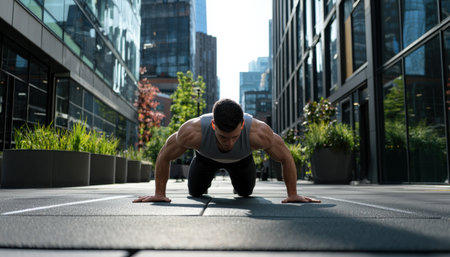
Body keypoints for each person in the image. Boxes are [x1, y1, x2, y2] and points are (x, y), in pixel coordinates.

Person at [133, 99, 321, 203]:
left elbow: (286, 157)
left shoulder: (259, 132)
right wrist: (159, 193)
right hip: (204, 160)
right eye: (223, 137)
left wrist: (293, 194)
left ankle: (239, 181)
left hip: (242, 161)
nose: (229, 143)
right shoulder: (192, 132)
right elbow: (164, 155)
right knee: (196, 193)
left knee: (245, 194)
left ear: (242, 125)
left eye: (235, 137)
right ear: (213, 125)